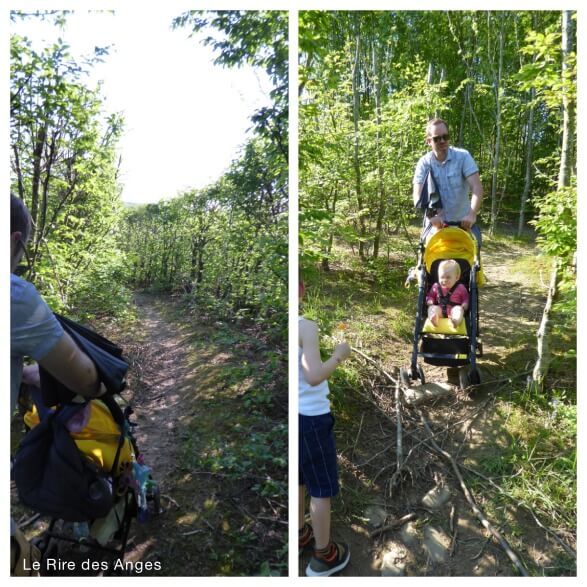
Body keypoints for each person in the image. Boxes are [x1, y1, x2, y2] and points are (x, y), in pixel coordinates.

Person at [10, 194, 105, 576]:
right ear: (12, 240)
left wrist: (25, 373)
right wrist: (98, 384)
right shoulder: (14, 297)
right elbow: (85, 378)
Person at [298, 281, 351, 577]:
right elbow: (314, 376)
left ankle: (300, 533)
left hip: (294, 419)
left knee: (299, 479)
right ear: (302, 289)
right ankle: (323, 555)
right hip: (312, 420)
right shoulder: (305, 325)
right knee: (320, 487)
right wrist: (339, 355)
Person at [413, 118, 483, 247]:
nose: (442, 141)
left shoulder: (463, 157)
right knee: (427, 263)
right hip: (435, 227)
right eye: (437, 138)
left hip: (462, 225)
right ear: (428, 141)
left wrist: (471, 214)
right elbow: (417, 197)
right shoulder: (423, 163)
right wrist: (431, 215)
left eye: (445, 136)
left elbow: (477, 187)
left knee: (470, 261)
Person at [426, 259, 469, 328]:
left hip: (454, 310)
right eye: (441, 277)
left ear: (457, 277)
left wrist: (465, 304)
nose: (444, 280)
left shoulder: (460, 287)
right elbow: (430, 295)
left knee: (459, 309)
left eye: (448, 277)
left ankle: (455, 321)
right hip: (440, 310)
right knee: (432, 308)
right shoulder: (436, 286)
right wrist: (430, 300)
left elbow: (465, 298)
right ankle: (434, 318)